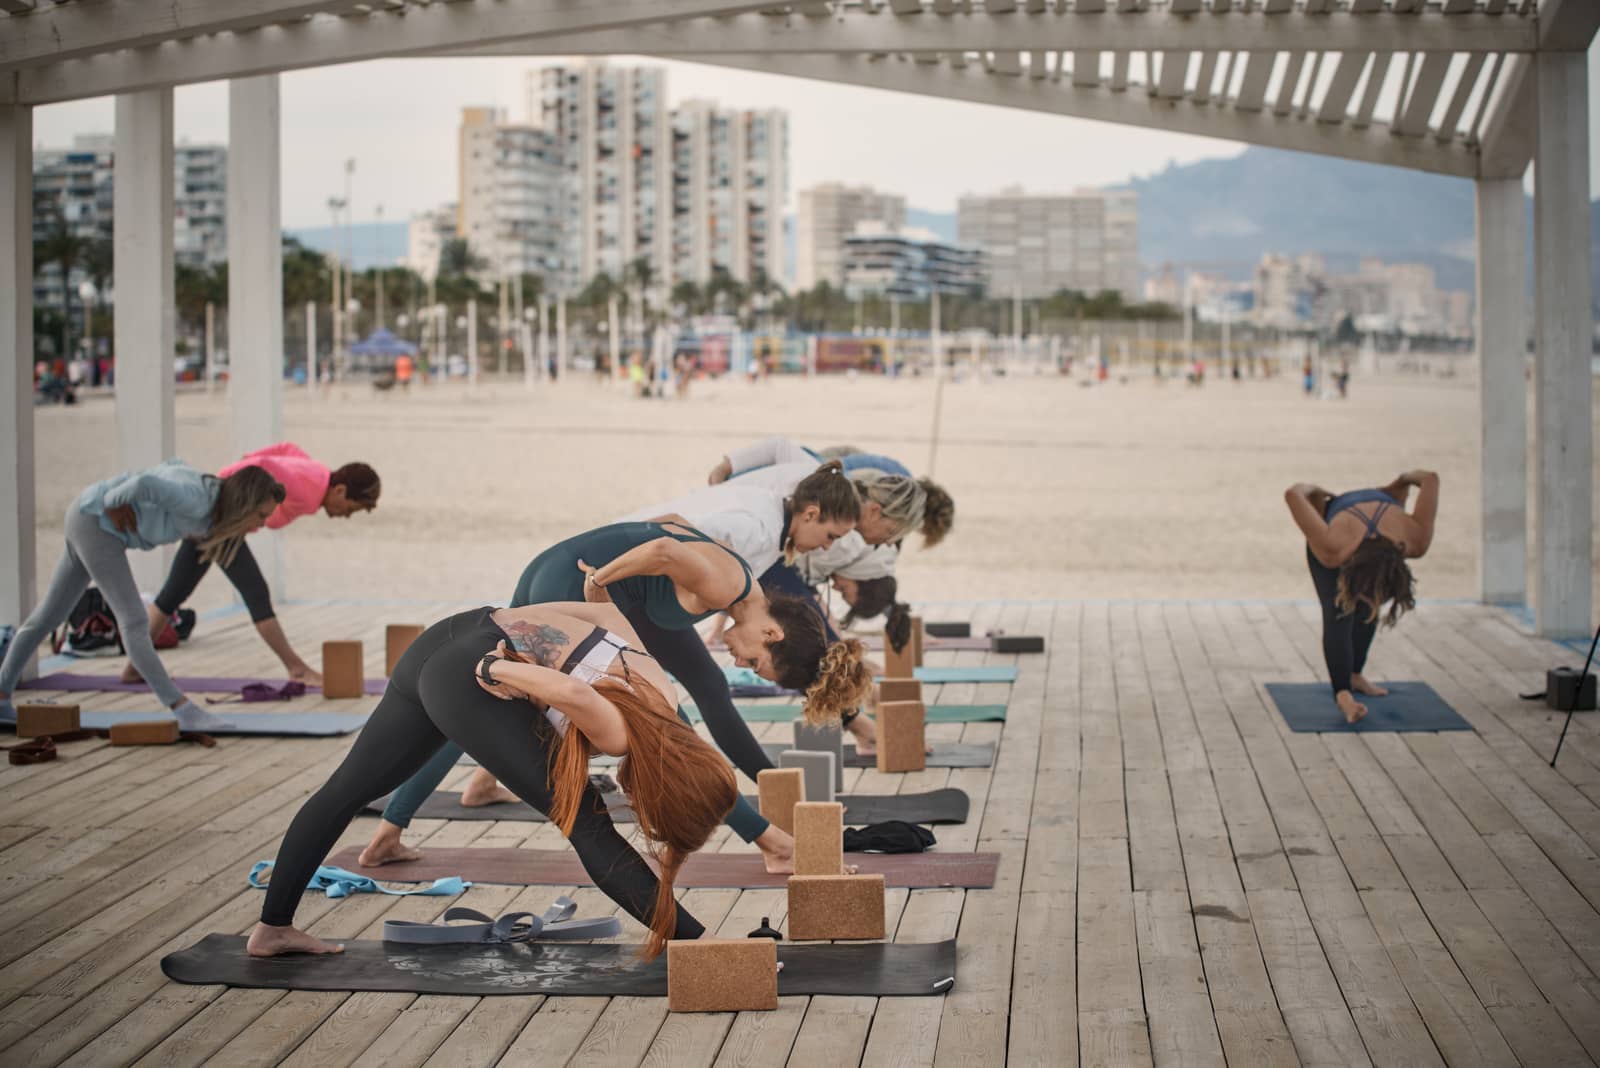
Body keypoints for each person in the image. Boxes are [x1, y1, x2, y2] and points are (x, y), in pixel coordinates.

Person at [360, 518, 872, 873]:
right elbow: (666, 548)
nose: (742, 662)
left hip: (601, 588)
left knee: (695, 699)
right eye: (755, 662)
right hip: (580, 581)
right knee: (670, 734)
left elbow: (669, 524)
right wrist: (601, 584)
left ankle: (415, 817)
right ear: (772, 633)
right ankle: (773, 842)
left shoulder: (736, 588)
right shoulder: (724, 587)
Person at [249, 602, 738, 961]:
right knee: (589, 829)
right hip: (469, 673)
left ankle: (272, 928)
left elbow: (610, 614)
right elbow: (573, 693)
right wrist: (495, 666)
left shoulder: (663, 693)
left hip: (457, 629)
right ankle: (696, 941)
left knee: (344, 792)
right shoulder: (618, 735)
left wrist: (512, 624)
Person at [0, 460, 284, 732]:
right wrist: (113, 502)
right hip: (96, 525)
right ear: (244, 502)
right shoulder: (198, 500)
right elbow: (146, 482)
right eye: (260, 516)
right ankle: (183, 710)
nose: (259, 526)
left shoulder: (210, 502)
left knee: (49, 617)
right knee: (134, 622)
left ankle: (1, 697)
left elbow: (172, 468)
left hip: (86, 517)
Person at [125, 444, 380, 687]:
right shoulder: (307, 492)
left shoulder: (316, 470)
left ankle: (135, 667)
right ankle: (297, 669)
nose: (347, 515)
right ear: (340, 490)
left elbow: (286, 448)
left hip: (217, 519)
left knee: (174, 592)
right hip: (223, 523)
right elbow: (263, 464)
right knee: (256, 593)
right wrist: (235, 481)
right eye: (352, 508)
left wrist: (246, 463)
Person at [1284, 471, 1439, 724]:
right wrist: (1314, 490)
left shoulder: (1415, 540)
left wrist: (1402, 480)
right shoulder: (1331, 549)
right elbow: (1293, 493)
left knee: (1368, 606)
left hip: (1381, 517)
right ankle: (1343, 694)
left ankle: (1355, 674)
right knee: (1338, 612)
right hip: (1336, 523)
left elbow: (1430, 478)